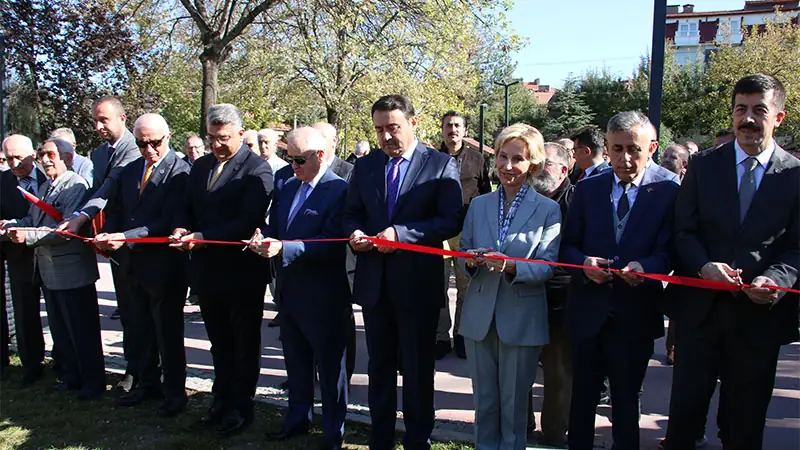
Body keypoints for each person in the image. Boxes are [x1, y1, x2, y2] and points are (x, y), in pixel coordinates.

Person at [662, 74, 799, 450]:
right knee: (683, 422)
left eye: (759, 110)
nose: (748, 119)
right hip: (700, 315)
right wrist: (705, 266)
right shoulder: (703, 167)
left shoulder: (795, 175)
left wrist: (775, 280)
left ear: (779, 117)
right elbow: (682, 232)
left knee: (744, 426)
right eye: (741, 109)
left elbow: (797, 248)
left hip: (758, 320)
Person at [342, 94, 463, 449]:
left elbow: (450, 218)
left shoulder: (440, 165)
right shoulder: (365, 167)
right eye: (379, 130)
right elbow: (351, 213)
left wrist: (402, 234)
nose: (385, 137)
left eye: (392, 128)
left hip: (417, 286)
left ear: (413, 122)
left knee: (416, 370)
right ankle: (380, 438)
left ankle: (417, 438)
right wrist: (355, 235)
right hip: (375, 284)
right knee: (378, 368)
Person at [561, 111, 680, 450]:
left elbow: (672, 250)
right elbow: (567, 246)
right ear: (607, 148)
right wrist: (583, 263)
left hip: (635, 313)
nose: (625, 158)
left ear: (652, 147)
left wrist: (647, 267)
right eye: (617, 149)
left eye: (634, 149)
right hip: (588, 312)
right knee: (582, 398)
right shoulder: (587, 188)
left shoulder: (669, 189)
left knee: (626, 402)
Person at [170, 103, 273, 437]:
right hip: (206, 270)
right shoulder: (201, 167)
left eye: (223, 138)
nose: (216, 145)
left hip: (241, 272)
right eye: (211, 137)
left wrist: (204, 237)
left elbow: (246, 220)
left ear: (241, 134)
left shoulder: (257, 169)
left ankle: (241, 407)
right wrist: (182, 228)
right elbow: (186, 206)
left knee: (243, 342)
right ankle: (220, 400)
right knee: (218, 341)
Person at [458, 123, 561, 450]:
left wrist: (512, 265)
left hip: (521, 318)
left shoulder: (548, 209)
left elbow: (548, 266)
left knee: (515, 406)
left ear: (533, 163)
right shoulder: (479, 205)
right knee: (484, 403)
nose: (507, 166)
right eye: (502, 157)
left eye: (517, 159)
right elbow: (462, 254)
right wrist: (471, 261)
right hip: (479, 317)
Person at [251, 126, 350, 450]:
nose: (292, 165)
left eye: (299, 159)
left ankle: (333, 433)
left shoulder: (339, 190)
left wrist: (285, 248)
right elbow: (275, 224)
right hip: (290, 292)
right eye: (288, 158)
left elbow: (333, 243)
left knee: (330, 367)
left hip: (323, 295)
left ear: (320, 156)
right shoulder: (287, 184)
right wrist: (262, 235)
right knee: (295, 361)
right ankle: (297, 420)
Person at [90, 113, 191, 417]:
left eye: (155, 142)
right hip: (130, 263)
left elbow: (168, 220)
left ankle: (174, 392)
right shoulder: (131, 169)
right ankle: (147, 383)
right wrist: (109, 233)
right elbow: (119, 209)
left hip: (163, 266)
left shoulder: (181, 172)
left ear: (168, 136)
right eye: (141, 143)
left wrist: (126, 236)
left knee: (167, 331)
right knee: (138, 327)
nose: (149, 149)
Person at [1, 139, 105, 399]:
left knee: (83, 331)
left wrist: (27, 236)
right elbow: (34, 220)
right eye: (43, 155)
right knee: (62, 330)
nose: (46, 160)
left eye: (52, 155)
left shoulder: (76, 186)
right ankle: (71, 377)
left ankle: (92, 383)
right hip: (51, 273)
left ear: (68, 158)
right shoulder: (47, 186)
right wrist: (12, 224)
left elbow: (65, 230)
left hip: (73, 272)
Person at [58, 96, 141, 394]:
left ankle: (140, 370)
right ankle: (134, 366)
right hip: (113, 241)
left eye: (103, 120)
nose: (98, 126)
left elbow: (110, 188)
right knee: (127, 308)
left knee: (139, 311)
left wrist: (80, 218)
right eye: (95, 120)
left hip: (139, 240)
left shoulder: (135, 148)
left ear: (121, 118)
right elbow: (95, 190)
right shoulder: (100, 153)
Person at [529, 142, 575, 448]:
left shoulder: (577, 200)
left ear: (563, 169)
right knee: (520, 367)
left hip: (561, 297)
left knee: (558, 371)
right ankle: (519, 426)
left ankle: (555, 433)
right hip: (523, 293)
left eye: (544, 163)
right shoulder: (528, 197)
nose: (537, 169)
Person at [437, 110, 492, 360]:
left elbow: (485, 194)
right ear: (442, 129)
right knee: (437, 287)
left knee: (465, 286)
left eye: (457, 125)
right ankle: (440, 337)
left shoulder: (478, 159)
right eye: (448, 125)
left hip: (466, 230)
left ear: (465, 130)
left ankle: (461, 334)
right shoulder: (431, 158)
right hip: (437, 231)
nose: (453, 130)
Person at [0, 135, 47, 385]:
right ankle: (31, 364)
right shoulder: (3, 182)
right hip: (18, 256)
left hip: (51, 254)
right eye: (8, 158)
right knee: (24, 311)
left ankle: (64, 359)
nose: (14, 163)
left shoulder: (50, 175)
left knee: (59, 311)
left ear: (33, 155)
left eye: (19, 157)